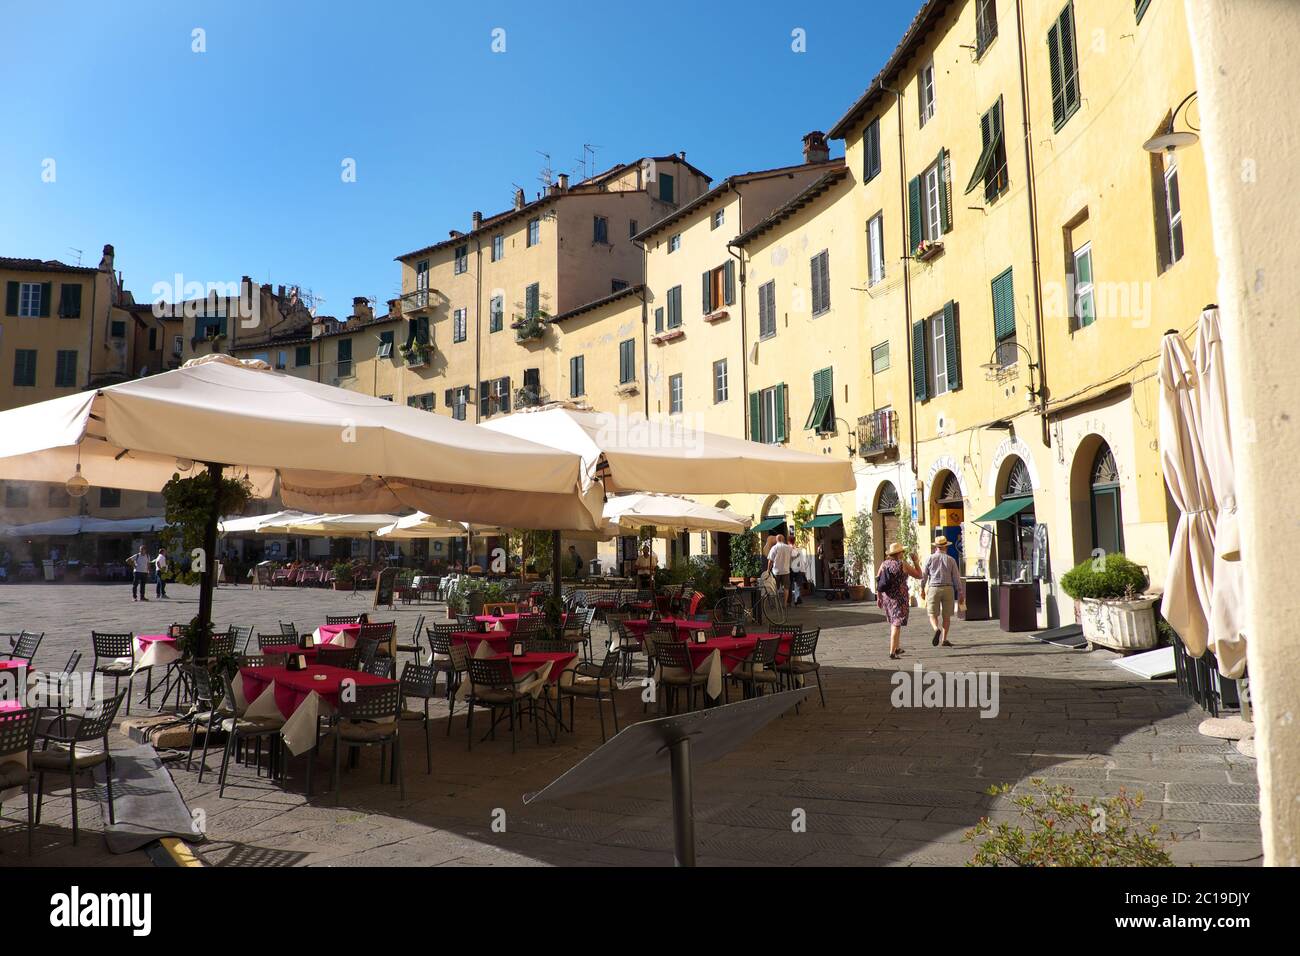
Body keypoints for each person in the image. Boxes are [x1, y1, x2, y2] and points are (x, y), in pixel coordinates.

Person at [877, 542, 922, 660]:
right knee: (896, 624)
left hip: (888, 597)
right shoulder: (902, 564)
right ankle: (892, 652)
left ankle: (896, 647)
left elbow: (879, 580)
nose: (903, 553)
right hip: (899, 598)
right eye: (902, 551)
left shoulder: (884, 564)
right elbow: (919, 575)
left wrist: (879, 596)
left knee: (894, 621)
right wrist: (916, 561)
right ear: (899, 553)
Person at [920, 535, 964, 648]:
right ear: (946, 547)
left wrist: (922, 588)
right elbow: (956, 577)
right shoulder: (951, 559)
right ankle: (944, 639)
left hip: (934, 588)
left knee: (932, 614)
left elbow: (924, 575)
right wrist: (960, 591)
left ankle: (936, 629)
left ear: (936, 547)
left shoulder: (929, 558)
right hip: (948, 589)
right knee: (947, 616)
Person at [766, 534, 794, 606]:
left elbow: (770, 560)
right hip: (786, 571)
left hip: (776, 571)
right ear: (783, 539)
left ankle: (777, 603)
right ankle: (784, 603)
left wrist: (768, 570)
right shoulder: (788, 548)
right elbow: (792, 557)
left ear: (776, 540)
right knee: (786, 588)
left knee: (775, 588)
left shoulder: (774, 548)